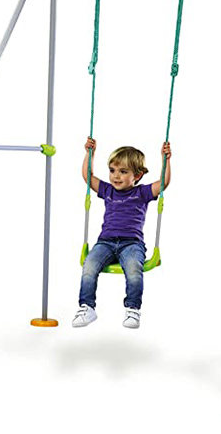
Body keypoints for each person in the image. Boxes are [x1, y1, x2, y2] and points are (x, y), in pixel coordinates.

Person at [72, 137, 172, 329]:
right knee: (89, 266)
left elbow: (163, 183)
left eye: (123, 172)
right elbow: (87, 176)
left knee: (134, 270)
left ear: (138, 175)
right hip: (105, 242)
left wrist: (165, 160)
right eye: (112, 170)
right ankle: (87, 307)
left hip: (131, 244)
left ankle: (133, 309)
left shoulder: (142, 193)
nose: (116, 176)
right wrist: (89, 154)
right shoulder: (107, 190)